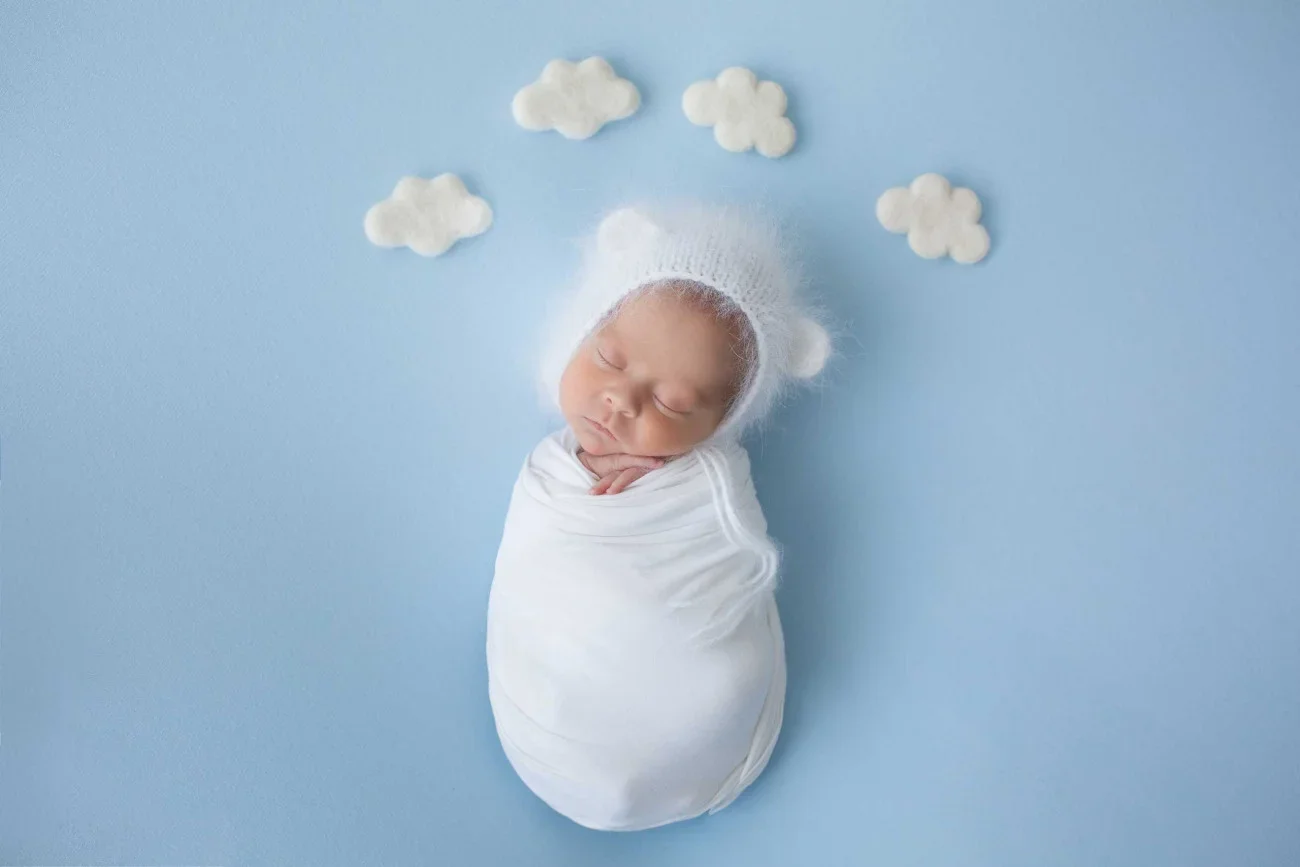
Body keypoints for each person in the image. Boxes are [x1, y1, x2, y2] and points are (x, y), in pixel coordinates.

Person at [486, 204, 832, 830]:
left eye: (672, 402)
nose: (621, 399)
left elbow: (728, 558)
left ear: (717, 429)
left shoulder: (710, 486)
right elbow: (535, 576)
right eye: (611, 359)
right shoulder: (546, 476)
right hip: (555, 725)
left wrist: (677, 484)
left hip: (692, 700)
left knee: (722, 679)